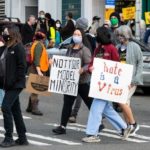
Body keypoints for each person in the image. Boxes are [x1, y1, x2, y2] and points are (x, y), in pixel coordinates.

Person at [82, 26, 130, 143]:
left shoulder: (111, 49)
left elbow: (118, 67)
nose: (95, 36)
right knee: (106, 109)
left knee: (95, 108)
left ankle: (92, 133)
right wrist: (90, 68)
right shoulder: (98, 49)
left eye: (97, 34)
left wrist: (123, 83)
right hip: (99, 85)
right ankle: (123, 128)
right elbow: (92, 63)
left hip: (107, 86)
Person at [52, 28, 93, 134]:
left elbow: (89, 63)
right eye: (74, 34)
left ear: (82, 36)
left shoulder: (85, 50)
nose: (76, 36)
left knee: (90, 103)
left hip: (82, 81)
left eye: (78, 34)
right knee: (67, 104)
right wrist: (55, 63)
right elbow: (66, 62)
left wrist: (82, 69)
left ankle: (98, 122)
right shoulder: (70, 48)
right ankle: (62, 126)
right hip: (70, 82)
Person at [0, 25, 28, 147]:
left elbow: (22, 67)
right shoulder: (6, 48)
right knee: (15, 110)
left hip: (16, 84)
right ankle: (22, 137)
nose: (4, 34)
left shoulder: (18, 48)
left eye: (6, 32)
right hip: (8, 84)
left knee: (5, 107)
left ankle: (9, 137)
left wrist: (14, 82)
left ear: (12, 33)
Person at [115, 25, 143, 138]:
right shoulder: (117, 47)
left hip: (131, 80)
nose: (120, 37)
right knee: (125, 104)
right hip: (120, 79)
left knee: (123, 100)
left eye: (122, 35)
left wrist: (136, 78)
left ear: (127, 35)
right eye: (118, 35)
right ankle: (129, 126)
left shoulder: (134, 46)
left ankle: (133, 124)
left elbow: (140, 62)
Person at [69, 17, 96, 123]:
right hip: (86, 69)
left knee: (81, 94)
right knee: (84, 93)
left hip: (83, 70)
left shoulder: (85, 38)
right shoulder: (91, 38)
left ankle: (74, 114)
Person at [26, 30, 49, 116]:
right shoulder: (39, 45)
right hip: (37, 69)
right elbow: (36, 59)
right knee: (36, 89)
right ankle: (34, 109)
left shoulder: (35, 43)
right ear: (42, 38)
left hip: (36, 68)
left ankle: (29, 107)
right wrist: (39, 71)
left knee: (34, 89)